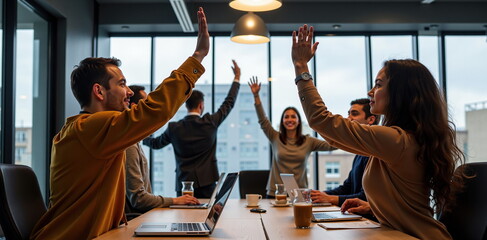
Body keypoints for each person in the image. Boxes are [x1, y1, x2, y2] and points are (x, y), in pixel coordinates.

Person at [30, 8, 209, 240]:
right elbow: (155, 110)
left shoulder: (82, 129)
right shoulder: (92, 127)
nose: (128, 93)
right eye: (122, 84)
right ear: (99, 91)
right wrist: (198, 57)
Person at [291, 24, 465, 239]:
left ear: (400, 93)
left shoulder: (396, 140)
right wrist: (373, 207)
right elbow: (408, 201)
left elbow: (321, 121)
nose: (370, 91)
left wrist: (301, 66)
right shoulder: (403, 139)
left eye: (379, 85)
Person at [143, 60, 241, 198]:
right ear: (201, 105)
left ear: (186, 105)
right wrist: (236, 78)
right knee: (208, 217)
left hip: (184, 186)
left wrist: (140, 135)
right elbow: (228, 102)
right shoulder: (210, 122)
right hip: (208, 183)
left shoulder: (174, 128)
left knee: (184, 218)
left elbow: (155, 144)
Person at [248, 77, 335, 197]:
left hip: (299, 194)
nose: (290, 119)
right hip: (276, 194)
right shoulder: (275, 137)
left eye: (293, 117)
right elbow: (263, 120)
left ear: (298, 121)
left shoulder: (308, 141)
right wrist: (256, 96)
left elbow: (332, 145)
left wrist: (351, 134)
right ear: (282, 121)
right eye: (286, 117)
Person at [125, 85, 200, 214]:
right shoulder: (129, 145)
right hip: (137, 219)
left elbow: (155, 143)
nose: (152, 109)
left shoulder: (134, 141)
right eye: (147, 104)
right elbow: (139, 199)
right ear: (134, 107)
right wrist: (175, 201)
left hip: (144, 216)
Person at [311, 98, 379, 206]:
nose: (348, 118)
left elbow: (365, 197)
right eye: (349, 114)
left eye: (354, 114)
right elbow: (347, 187)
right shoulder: (360, 152)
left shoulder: (375, 154)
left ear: (370, 120)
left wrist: (330, 198)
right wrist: (320, 195)